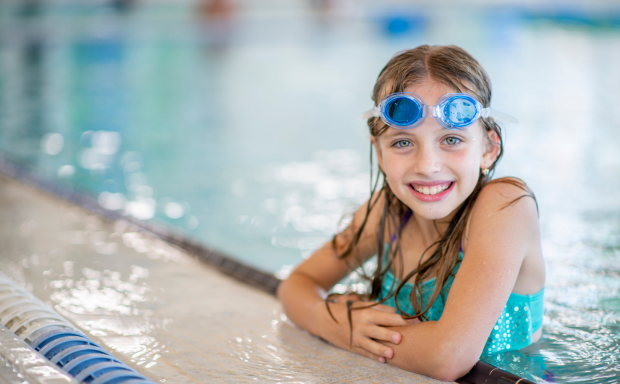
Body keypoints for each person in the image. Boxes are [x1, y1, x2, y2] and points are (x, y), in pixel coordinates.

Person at [277, 45, 545, 381]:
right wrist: (336, 320)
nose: (428, 166)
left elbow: (447, 358)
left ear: (489, 149)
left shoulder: (507, 205)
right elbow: (297, 285)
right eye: (403, 142)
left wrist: (346, 330)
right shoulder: (386, 211)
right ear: (379, 151)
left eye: (451, 139)